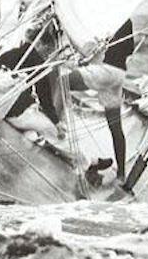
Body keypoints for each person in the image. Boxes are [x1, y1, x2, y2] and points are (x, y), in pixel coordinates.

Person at [0, 0, 63, 134]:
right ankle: (45, 113)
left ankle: (42, 109)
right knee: (32, 66)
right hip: (33, 27)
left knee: (39, 69)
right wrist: (48, 9)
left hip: (44, 32)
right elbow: (31, 0)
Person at [56, 19, 135, 184]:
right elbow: (127, 49)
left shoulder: (117, 19)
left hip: (106, 72)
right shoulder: (125, 23)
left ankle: (57, 128)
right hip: (118, 75)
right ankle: (121, 174)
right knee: (115, 125)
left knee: (60, 82)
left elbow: (93, 49)